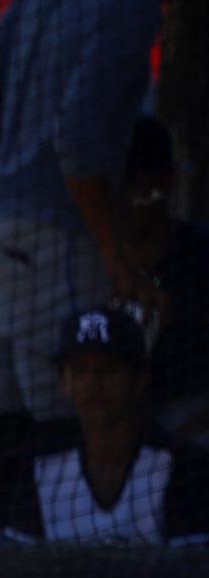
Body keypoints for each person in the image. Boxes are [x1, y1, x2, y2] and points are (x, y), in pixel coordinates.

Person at [0, 0, 163, 428]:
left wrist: (1, 196)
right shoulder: (129, 10)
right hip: (50, 250)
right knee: (69, 434)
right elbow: (77, 141)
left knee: (2, 430)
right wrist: (116, 257)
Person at [0, 308, 209, 545]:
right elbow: (19, 568)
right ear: (63, 383)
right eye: (79, 370)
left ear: (139, 379)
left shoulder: (181, 466)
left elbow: (190, 575)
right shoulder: (40, 465)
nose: (92, 383)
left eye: (108, 369)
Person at [116, 116, 209, 443]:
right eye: (110, 183)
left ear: (166, 182)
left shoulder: (199, 257)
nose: (122, 198)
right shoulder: (86, 268)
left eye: (133, 182)